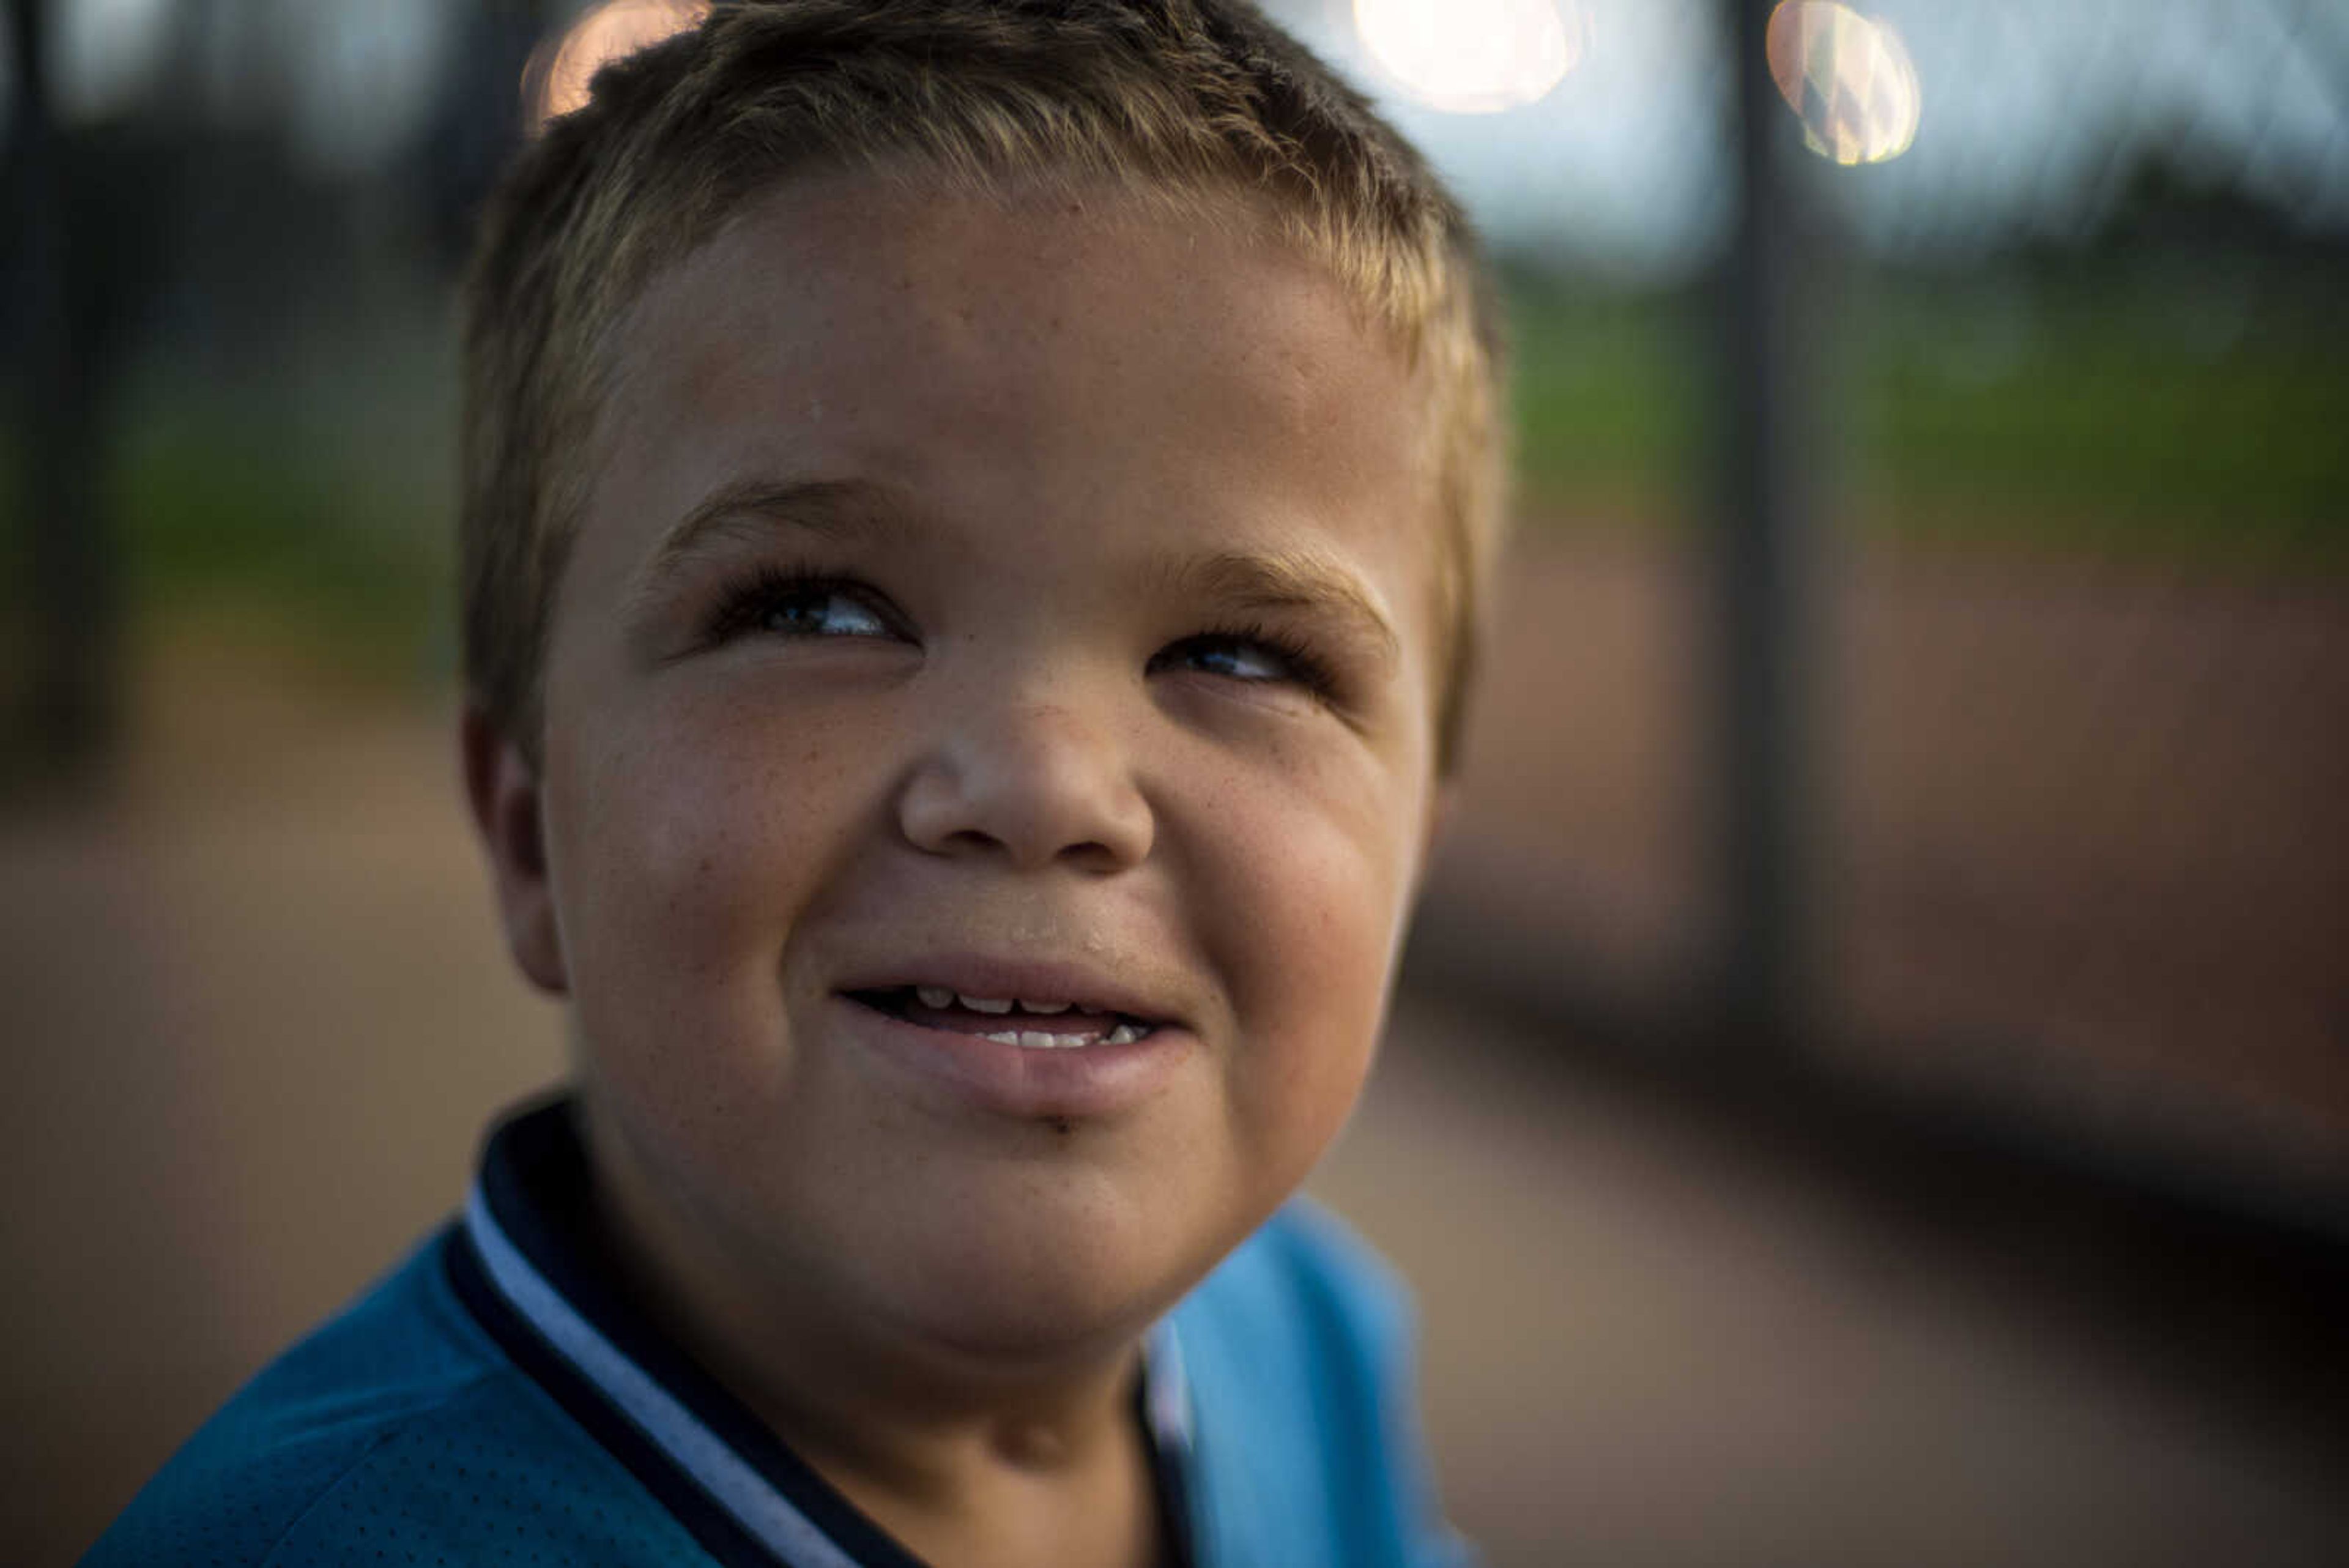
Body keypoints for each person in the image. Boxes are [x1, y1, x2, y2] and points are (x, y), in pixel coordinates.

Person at [84, 2, 1506, 1563]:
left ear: (1413, 857)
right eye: (823, 610)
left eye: (1237, 654)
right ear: (527, 831)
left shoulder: (1303, 1339)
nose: (1041, 783)